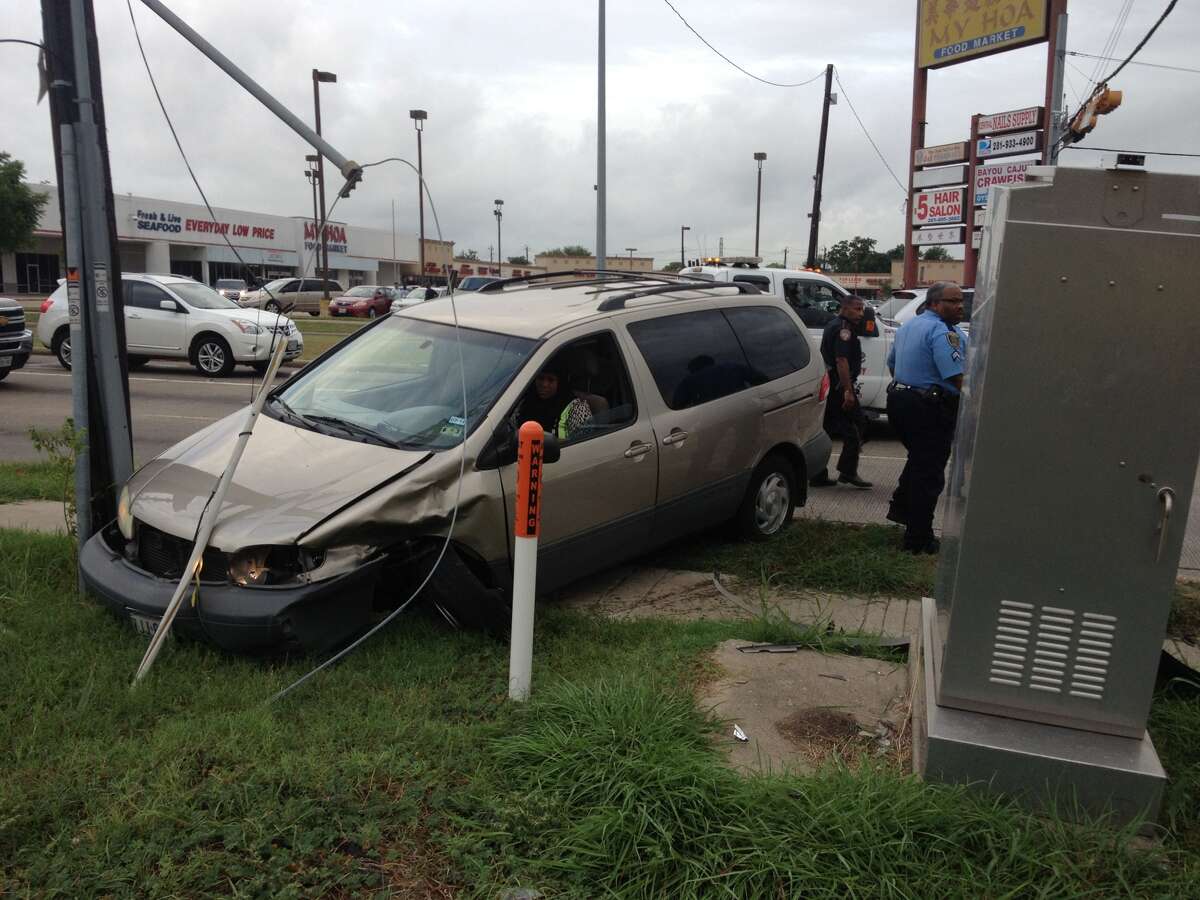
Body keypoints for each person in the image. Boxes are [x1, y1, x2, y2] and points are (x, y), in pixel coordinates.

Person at [885, 282, 968, 554]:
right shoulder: (943, 332)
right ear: (934, 303)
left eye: (961, 301)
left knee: (919, 460)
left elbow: (892, 364)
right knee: (929, 473)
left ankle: (901, 509)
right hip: (928, 407)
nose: (959, 307)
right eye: (953, 301)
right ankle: (918, 539)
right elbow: (955, 377)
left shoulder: (909, 326)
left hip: (899, 400)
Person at [810, 295, 872, 489]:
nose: (861, 314)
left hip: (832, 384)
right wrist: (848, 391)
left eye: (862, 309)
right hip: (839, 386)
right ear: (844, 309)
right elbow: (841, 361)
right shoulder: (843, 330)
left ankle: (818, 473)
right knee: (857, 425)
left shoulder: (835, 325)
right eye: (857, 309)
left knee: (825, 430)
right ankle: (847, 471)